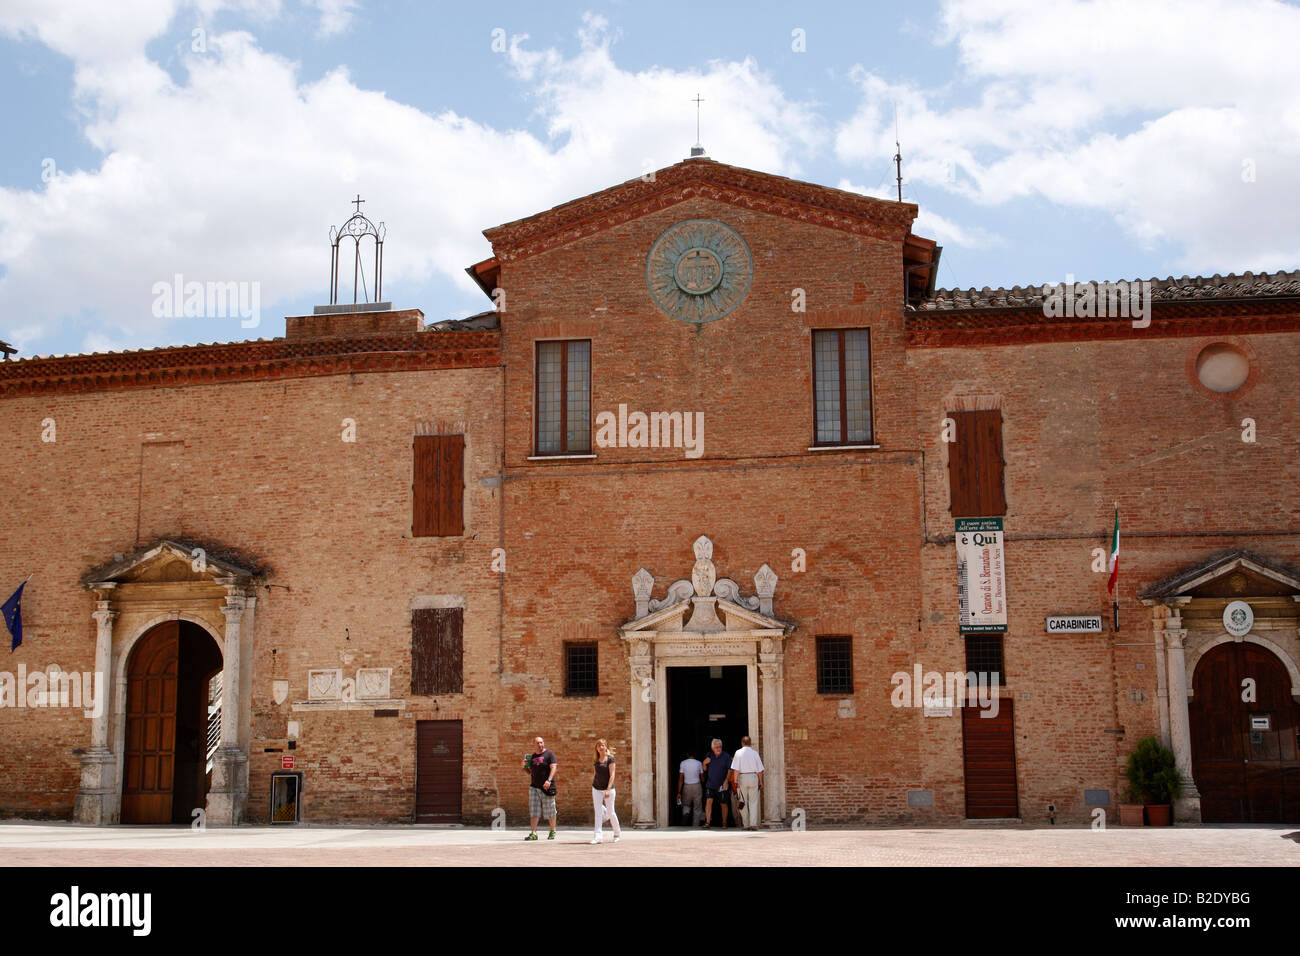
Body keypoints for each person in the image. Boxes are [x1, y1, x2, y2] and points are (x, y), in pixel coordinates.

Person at [525, 735, 557, 840]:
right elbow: (529, 772)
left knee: (550, 810)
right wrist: (524, 767)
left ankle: (552, 831)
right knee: (534, 810)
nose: (540, 744)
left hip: (546, 787)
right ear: (534, 744)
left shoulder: (549, 754)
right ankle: (533, 833)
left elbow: (553, 768)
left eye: (541, 742)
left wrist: (549, 780)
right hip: (534, 787)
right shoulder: (532, 756)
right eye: (538, 743)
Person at [590, 738, 622, 845]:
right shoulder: (596, 760)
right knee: (598, 813)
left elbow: (612, 775)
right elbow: (595, 773)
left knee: (611, 812)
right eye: (599, 746)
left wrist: (608, 789)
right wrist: (593, 782)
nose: (601, 747)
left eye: (602, 745)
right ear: (597, 748)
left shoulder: (610, 759)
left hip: (609, 789)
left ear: (606, 747)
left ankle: (617, 834)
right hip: (596, 788)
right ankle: (598, 837)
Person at [729, 736, 764, 830]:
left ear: (742, 743)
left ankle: (746, 824)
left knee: (742, 801)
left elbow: (736, 769)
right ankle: (753, 824)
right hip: (753, 777)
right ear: (750, 743)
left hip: (742, 777)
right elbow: (759, 770)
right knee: (753, 802)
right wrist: (761, 781)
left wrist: (736, 781)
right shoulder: (755, 753)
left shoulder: (738, 753)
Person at [701, 738, 732, 829]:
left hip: (722, 784)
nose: (718, 748)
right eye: (716, 747)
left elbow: (730, 769)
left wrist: (726, 780)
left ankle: (724, 823)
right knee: (708, 802)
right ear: (712, 748)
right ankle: (707, 822)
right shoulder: (709, 755)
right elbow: (705, 770)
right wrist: (704, 763)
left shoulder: (726, 756)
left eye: (720, 747)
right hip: (710, 784)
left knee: (723, 803)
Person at [677, 749, 704, 826]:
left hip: (687, 787)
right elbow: (702, 779)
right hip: (697, 786)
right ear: (695, 755)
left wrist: (679, 792)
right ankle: (695, 825)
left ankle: (684, 824)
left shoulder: (683, 763)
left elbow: (680, 779)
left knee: (686, 805)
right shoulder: (699, 763)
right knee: (697, 807)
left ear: (687, 754)